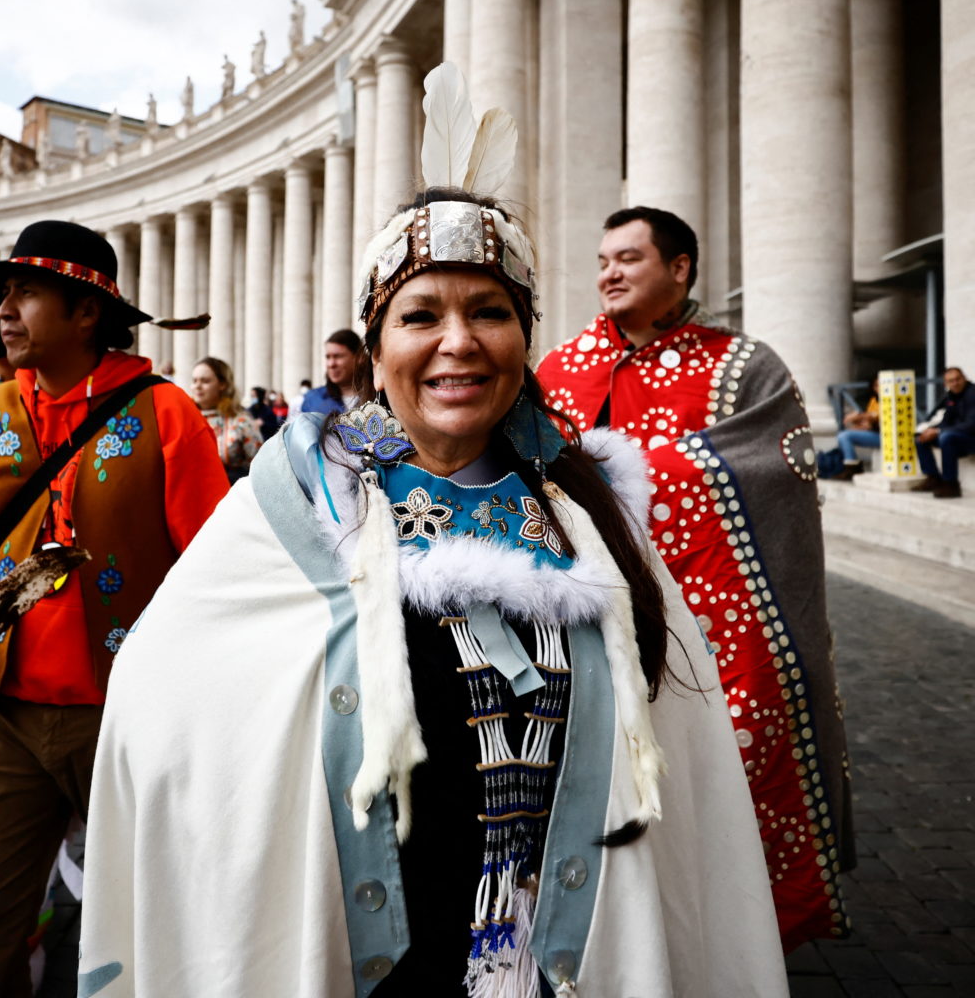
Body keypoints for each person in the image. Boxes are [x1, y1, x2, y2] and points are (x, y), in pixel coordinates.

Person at [81, 181, 786, 995]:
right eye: (420, 317)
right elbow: (158, 697)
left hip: (556, 952)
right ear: (375, 349)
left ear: (525, 337)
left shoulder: (590, 519)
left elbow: (682, 775)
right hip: (362, 947)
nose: (460, 342)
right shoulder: (289, 511)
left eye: (490, 312)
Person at [0, 221, 229, 997]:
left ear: (86, 311)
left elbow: (217, 571)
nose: (4, 313)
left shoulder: (165, 414)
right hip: (0, 716)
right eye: (1, 297)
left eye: (25, 292)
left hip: (135, 719)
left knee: (161, 928)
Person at [536, 204, 853, 948]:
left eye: (629, 259)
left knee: (720, 784)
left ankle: (731, 938)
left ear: (679, 269)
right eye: (603, 259)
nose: (608, 273)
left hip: (718, 627)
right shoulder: (560, 367)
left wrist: (619, 477)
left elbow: (777, 471)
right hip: (589, 619)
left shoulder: (747, 366)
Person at [190, 357, 262, 481]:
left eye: (205, 381)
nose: (197, 386)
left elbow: (261, 466)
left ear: (222, 384)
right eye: (194, 380)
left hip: (231, 493)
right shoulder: (184, 419)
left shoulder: (241, 421)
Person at [914, 366, 974, 498]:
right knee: (920, 438)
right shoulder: (950, 397)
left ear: (964, 378)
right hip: (958, 437)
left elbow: (971, 425)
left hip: (971, 438)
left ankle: (951, 484)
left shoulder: (972, 394)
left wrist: (938, 431)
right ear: (946, 384)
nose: (955, 383)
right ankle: (933, 478)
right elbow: (946, 421)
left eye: (958, 379)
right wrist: (930, 430)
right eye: (951, 381)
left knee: (946, 437)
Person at [296, 329, 361, 415]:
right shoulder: (313, 399)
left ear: (359, 358)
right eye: (328, 357)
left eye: (338, 356)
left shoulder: (377, 397)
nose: (331, 364)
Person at [832, 395, 880, 480]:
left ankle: (852, 469)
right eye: (876, 385)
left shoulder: (890, 398)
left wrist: (858, 416)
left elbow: (874, 418)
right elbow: (868, 424)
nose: (878, 388)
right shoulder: (874, 401)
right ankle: (850, 467)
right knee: (843, 435)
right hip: (874, 433)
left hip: (887, 436)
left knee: (844, 435)